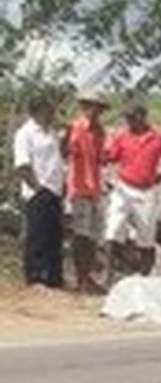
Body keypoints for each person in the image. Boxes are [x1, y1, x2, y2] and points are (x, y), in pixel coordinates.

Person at [102, 102, 161, 277]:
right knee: (113, 230)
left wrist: (160, 177)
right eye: (127, 118)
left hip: (146, 191)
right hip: (124, 187)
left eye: (132, 117)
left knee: (146, 236)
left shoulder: (158, 138)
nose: (129, 121)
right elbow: (110, 157)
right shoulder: (122, 137)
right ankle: (108, 274)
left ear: (142, 117)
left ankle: (144, 277)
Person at [12, 96, 64, 289]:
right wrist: (37, 188)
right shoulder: (25, 134)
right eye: (48, 110)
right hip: (38, 191)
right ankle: (36, 277)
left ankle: (52, 277)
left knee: (53, 235)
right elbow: (23, 165)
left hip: (55, 189)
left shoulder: (51, 132)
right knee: (37, 236)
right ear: (37, 111)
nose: (52, 114)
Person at [63, 91, 110, 294]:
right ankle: (81, 278)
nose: (95, 111)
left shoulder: (100, 132)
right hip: (79, 187)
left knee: (92, 235)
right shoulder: (75, 128)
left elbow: (100, 159)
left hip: (95, 188)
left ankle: (87, 277)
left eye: (98, 108)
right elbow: (64, 152)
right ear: (84, 107)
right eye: (91, 106)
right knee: (81, 234)